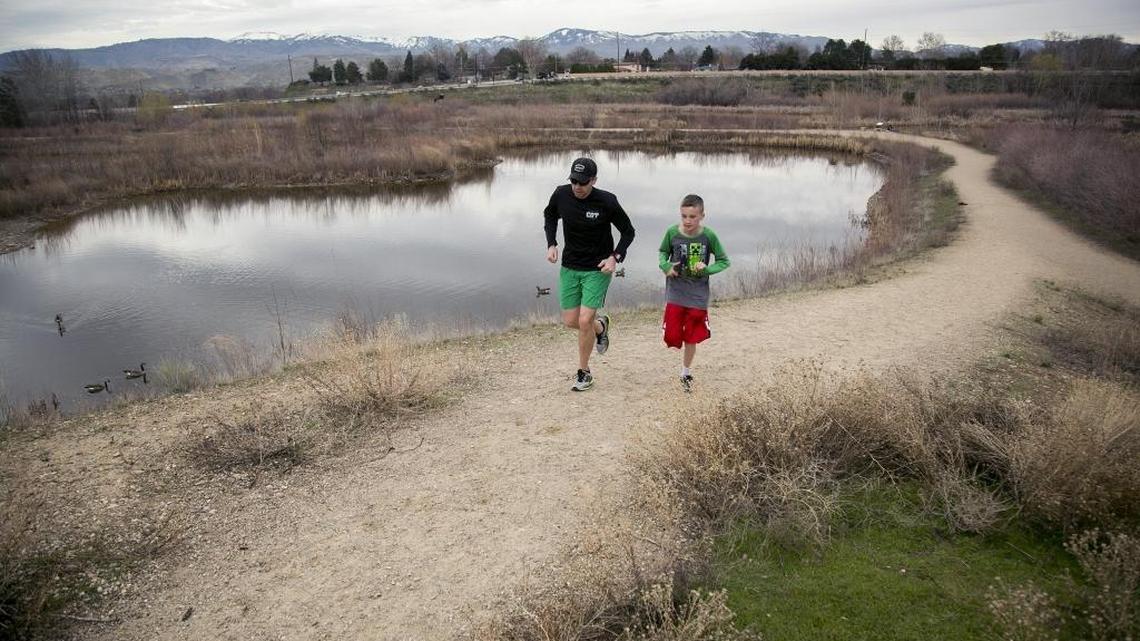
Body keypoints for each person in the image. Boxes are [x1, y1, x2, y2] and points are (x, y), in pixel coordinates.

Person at [544, 157, 635, 391]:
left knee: (584, 320)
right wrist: (552, 243)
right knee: (571, 321)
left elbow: (628, 232)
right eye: (573, 180)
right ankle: (601, 327)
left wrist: (615, 257)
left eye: (583, 182)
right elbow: (550, 215)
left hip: (598, 268)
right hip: (570, 266)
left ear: (593, 180)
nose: (577, 186)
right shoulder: (561, 194)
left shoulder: (607, 201)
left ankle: (584, 373)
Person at [658, 194, 730, 392]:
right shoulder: (672, 232)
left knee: (690, 336)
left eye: (692, 217)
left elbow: (724, 261)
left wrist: (707, 269)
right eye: (684, 216)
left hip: (698, 294)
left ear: (702, 216)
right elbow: (663, 252)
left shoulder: (709, 236)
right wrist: (666, 266)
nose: (687, 221)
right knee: (672, 335)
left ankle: (686, 372)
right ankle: (671, 330)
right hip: (676, 290)